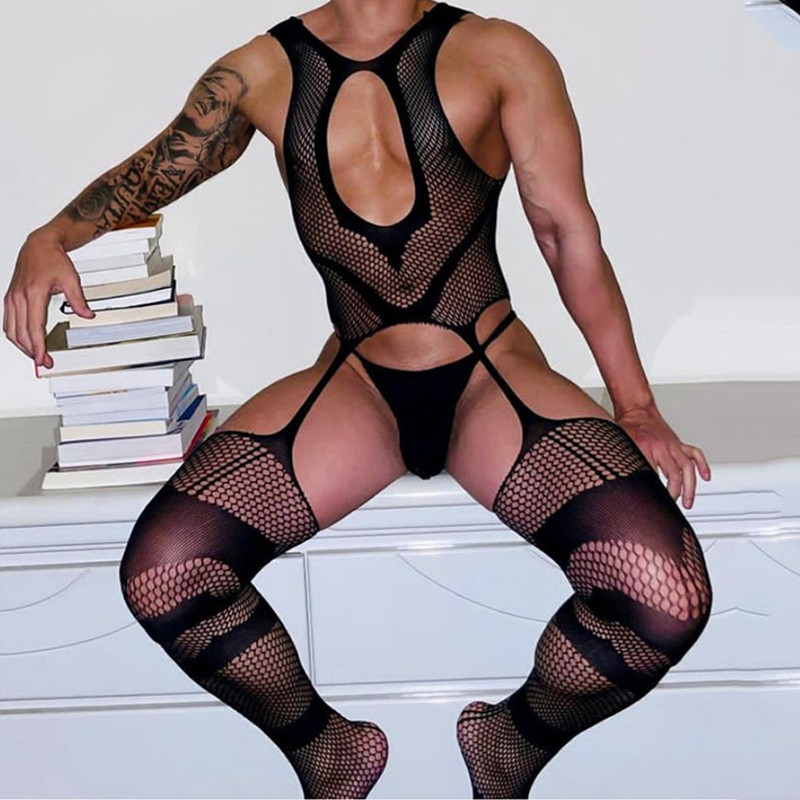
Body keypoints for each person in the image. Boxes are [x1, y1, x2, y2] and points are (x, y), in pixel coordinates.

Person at [3, 2, 714, 798]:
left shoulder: (499, 52)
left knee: (665, 599)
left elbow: (566, 234)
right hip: (358, 384)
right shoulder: (259, 73)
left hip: (488, 375)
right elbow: (155, 170)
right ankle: (326, 751)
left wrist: (636, 405)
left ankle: (511, 741)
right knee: (163, 573)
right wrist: (49, 237)